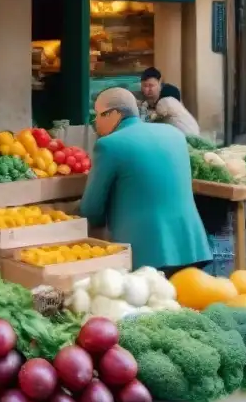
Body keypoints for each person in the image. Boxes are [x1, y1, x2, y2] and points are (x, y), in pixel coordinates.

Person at [79, 87, 209, 273]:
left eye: (98, 115)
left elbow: (91, 210)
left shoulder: (109, 145)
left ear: (114, 114)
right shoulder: (174, 134)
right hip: (192, 246)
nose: (96, 123)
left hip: (147, 255)